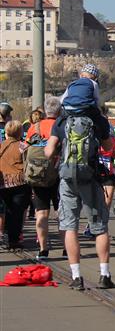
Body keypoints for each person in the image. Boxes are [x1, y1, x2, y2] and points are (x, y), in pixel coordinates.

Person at [44, 101, 115, 290]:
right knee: (100, 227)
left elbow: (48, 151)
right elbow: (108, 147)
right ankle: (104, 275)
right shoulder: (97, 119)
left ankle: (76, 277)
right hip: (90, 177)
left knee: (70, 226)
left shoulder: (61, 120)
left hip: (67, 179)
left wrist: (61, 153)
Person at [25, 96, 62, 259]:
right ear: (59, 111)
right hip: (58, 174)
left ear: (46, 111)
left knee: (41, 213)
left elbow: (25, 148)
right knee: (62, 213)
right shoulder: (61, 125)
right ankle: (66, 248)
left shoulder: (35, 127)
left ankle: (43, 249)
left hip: (38, 174)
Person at [0, 121, 32, 249]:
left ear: (7, 132)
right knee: (17, 212)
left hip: (3, 183)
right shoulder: (23, 146)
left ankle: (7, 234)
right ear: (20, 132)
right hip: (20, 183)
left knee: (7, 210)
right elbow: (28, 164)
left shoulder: (1, 145)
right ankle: (14, 239)